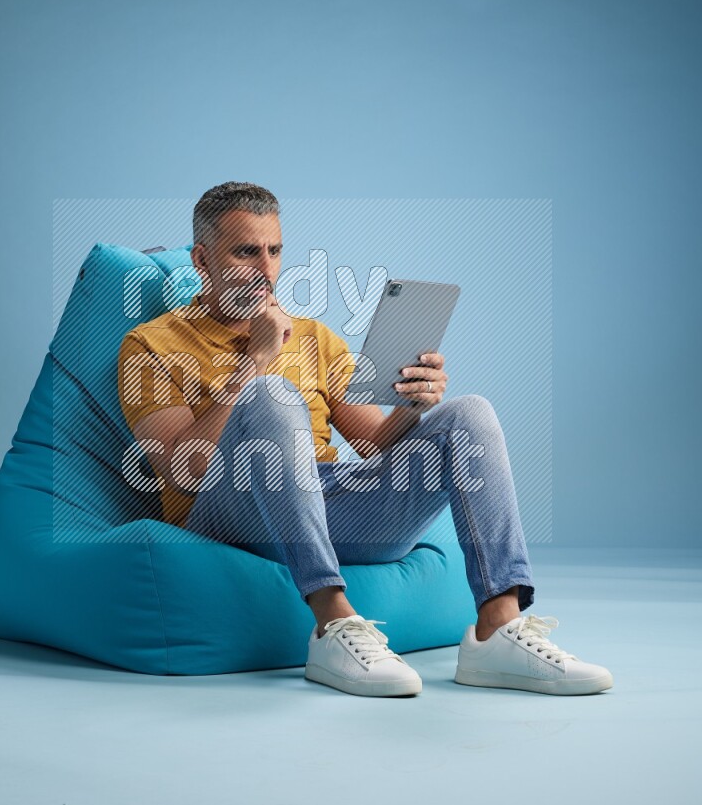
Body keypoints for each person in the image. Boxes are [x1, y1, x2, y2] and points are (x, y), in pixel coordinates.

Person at [117, 181, 613, 699]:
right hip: (226, 508)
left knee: (469, 413)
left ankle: (498, 628)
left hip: (325, 502)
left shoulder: (314, 337)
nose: (266, 270)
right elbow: (180, 470)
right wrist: (256, 363)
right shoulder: (151, 344)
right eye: (246, 252)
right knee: (273, 396)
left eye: (275, 250)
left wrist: (412, 405)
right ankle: (333, 624)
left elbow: (376, 446)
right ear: (203, 258)